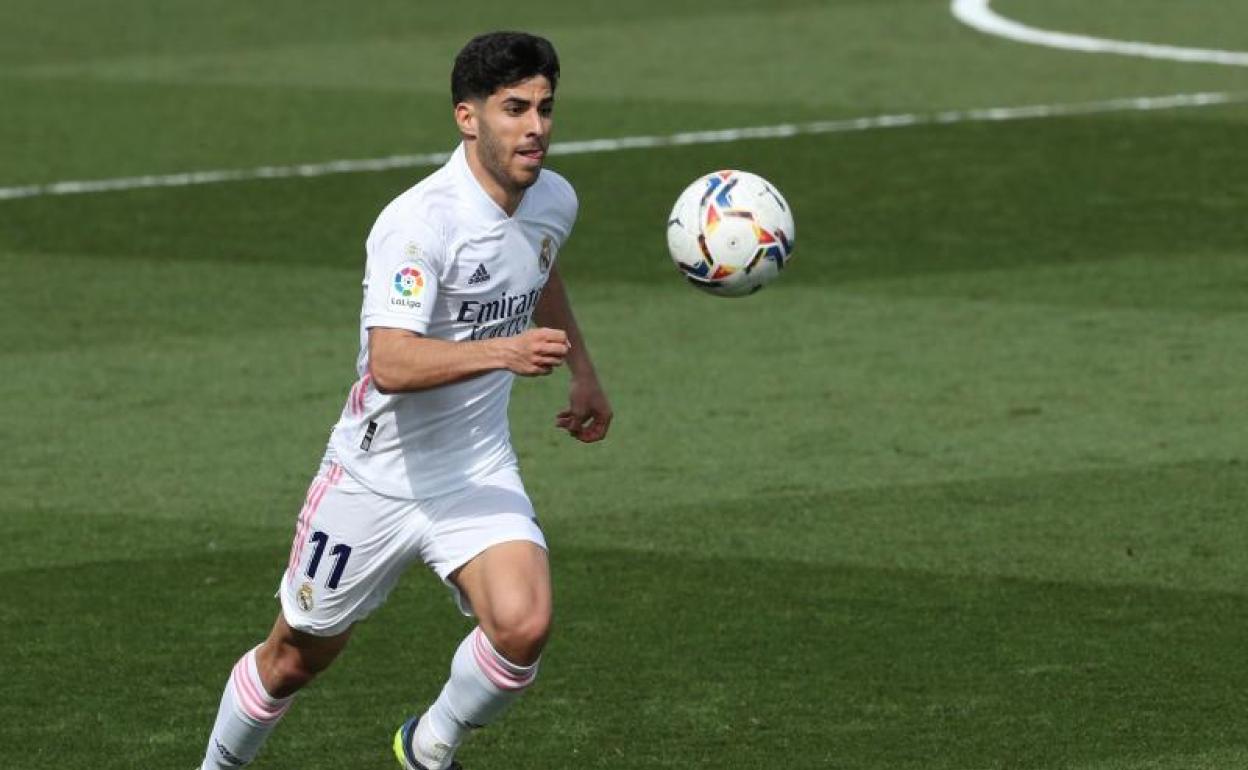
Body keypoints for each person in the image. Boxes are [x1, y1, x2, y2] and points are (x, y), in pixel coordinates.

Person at [198, 31, 612, 770]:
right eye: (514, 109)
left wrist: (582, 368)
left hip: (475, 468)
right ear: (467, 117)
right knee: (293, 657)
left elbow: (538, 269)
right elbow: (390, 363)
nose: (536, 127)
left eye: (546, 108)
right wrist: (507, 352)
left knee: (523, 626)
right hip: (374, 478)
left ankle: (428, 746)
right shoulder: (418, 223)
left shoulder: (554, 200)